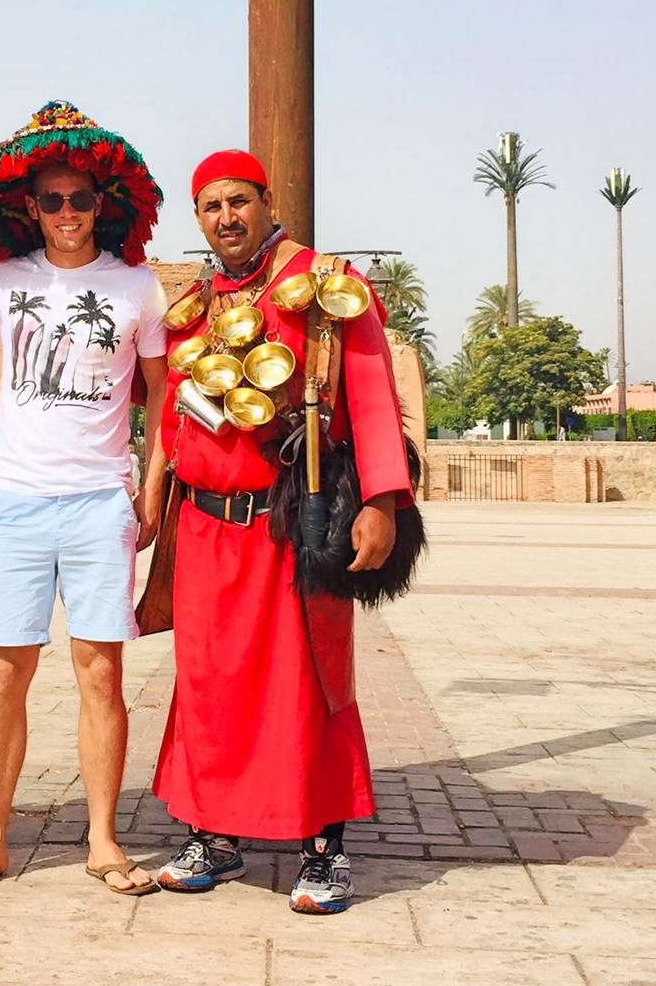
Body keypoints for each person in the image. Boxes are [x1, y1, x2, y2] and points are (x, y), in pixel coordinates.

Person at [0, 102, 168, 896]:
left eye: (79, 200)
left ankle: (101, 840)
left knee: (100, 675)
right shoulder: (5, 280)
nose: (65, 214)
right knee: (4, 675)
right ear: (30, 207)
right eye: (51, 201)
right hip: (19, 501)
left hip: (98, 501)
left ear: (102, 205)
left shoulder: (137, 287)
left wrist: (149, 491)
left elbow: (163, 400)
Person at [147, 149, 412, 914]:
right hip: (202, 527)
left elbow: (369, 393)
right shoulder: (198, 300)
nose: (226, 217)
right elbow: (170, 415)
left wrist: (384, 503)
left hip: (290, 524)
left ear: (267, 201)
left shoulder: (325, 288)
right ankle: (215, 836)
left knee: (308, 682)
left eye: (238, 201)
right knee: (207, 685)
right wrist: (152, 494)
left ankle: (323, 849)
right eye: (210, 206)